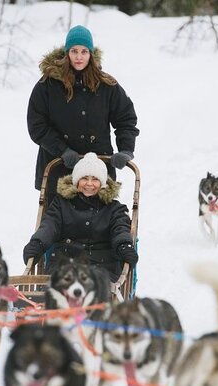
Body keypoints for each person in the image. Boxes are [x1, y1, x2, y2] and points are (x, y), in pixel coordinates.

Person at [27, 25, 139, 203]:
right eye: (74, 51)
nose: (79, 57)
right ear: (66, 53)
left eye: (84, 51)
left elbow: (125, 119)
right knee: (57, 222)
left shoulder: (107, 85)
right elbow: (36, 124)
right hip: (58, 167)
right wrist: (62, 150)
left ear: (91, 54)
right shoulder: (48, 85)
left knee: (100, 223)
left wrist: (126, 149)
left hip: (97, 170)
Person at [22, 152, 138, 281]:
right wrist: (38, 242)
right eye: (84, 178)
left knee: (97, 288)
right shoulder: (61, 204)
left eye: (95, 179)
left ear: (103, 183)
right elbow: (50, 225)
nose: (89, 184)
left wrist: (124, 245)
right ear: (76, 181)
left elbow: (120, 229)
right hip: (65, 261)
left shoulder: (114, 208)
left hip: (102, 265)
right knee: (58, 284)